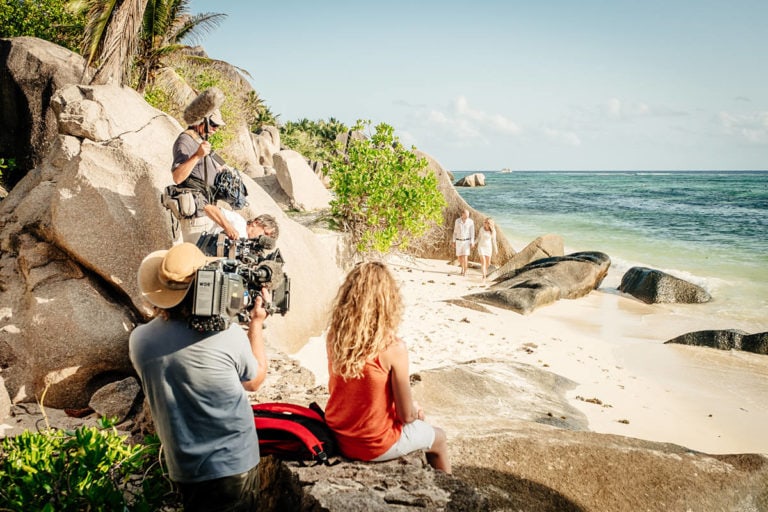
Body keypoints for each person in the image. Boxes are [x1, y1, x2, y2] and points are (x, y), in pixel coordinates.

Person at [129, 243, 270, 511]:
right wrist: (256, 324)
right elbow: (254, 381)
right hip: (233, 464)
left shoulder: (140, 341)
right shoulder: (228, 336)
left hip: (184, 467)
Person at [324, 262, 451, 473]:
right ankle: (449, 498)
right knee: (439, 439)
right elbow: (406, 416)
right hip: (373, 445)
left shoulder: (336, 337)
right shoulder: (393, 348)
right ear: (388, 301)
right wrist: (415, 410)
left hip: (338, 435)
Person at [171, 101, 238, 244]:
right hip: (196, 216)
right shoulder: (185, 141)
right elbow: (177, 177)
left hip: (207, 214)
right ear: (200, 121)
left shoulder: (200, 142)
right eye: (213, 124)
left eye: (218, 126)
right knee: (199, 263)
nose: (216, 129)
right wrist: (197, 155)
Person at [451, 209, 475, 276]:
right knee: (459, 257)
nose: (467, 216)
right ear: (462, 214)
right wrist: (453, 241)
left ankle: (465, 271)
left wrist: (472, 242)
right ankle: (462, 268)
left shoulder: (471, 222)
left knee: (465, 256)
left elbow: (472, 233)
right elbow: (455, 232)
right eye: (466, 215)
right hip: (458, 241)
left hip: (466, 241)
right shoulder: (457, 221)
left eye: (468, 215)